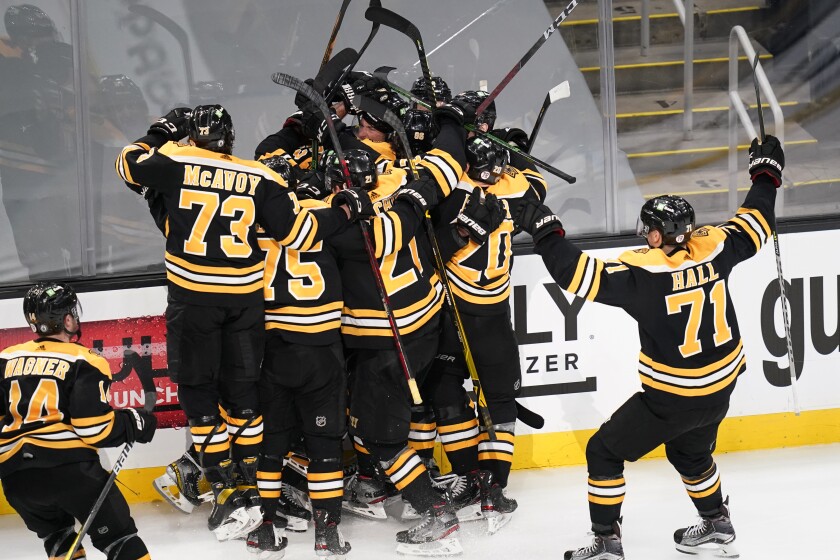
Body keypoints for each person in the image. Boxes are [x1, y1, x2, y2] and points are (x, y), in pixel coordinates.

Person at [513, 136, 785, 560]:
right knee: (689, 451)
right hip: (720, 390)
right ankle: (717, 523)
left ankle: (606, 544)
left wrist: (545, 227)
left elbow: (575, 274)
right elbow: (758, 218)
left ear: (657, 234)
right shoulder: (716, 248)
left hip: (673, 397)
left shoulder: (643, 275)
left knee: (603, 452)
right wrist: (765, 171)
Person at [115, 104, 352, 541]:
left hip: (195, 302)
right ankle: (251, 488)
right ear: (230, 138)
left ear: (194, 136)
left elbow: (127, 163)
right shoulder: (260, 177)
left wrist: (160, 131)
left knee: (200, 394)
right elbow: (297, 234)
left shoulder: (175, 161)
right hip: (244, 305)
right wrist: (342, 210)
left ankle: (226, 490)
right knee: (245, 396)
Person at [0, 282, 157, 560]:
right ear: (68, 319)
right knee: (121, 541)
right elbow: (94, 428)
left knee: (57, 536)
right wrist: (134, 423)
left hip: (17, 481)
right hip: (72, 474)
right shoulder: (84, 360)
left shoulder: (5, 359)